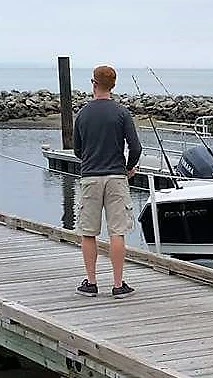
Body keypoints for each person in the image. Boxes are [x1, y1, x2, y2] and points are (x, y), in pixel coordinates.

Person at [73, 65, 142, 299]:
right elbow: (136, 146)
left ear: (94, 84)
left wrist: (90, 160)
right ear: (113, 85)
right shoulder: (122, 113)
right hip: (116, 177)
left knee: (88, 232)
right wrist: (128, 168)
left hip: (90, 176)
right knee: (117, 232)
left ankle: (91, 283)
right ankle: (118, 284)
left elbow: (77, 149)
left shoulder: (83, 113)